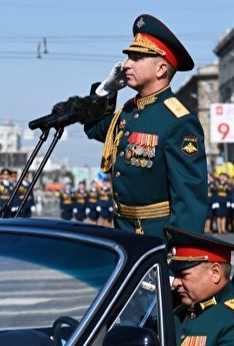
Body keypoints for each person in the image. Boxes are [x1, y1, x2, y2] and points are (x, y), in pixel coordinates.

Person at [84, 14, 207, 241]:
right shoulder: (128, 112)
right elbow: (94, 127)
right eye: (128, 57)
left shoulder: (178, 121)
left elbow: (189, 200)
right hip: (124, 234)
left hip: (156, 239)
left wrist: (179, 263)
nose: (126, 64)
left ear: (160, 69)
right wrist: (105, 91)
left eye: (137, 57)